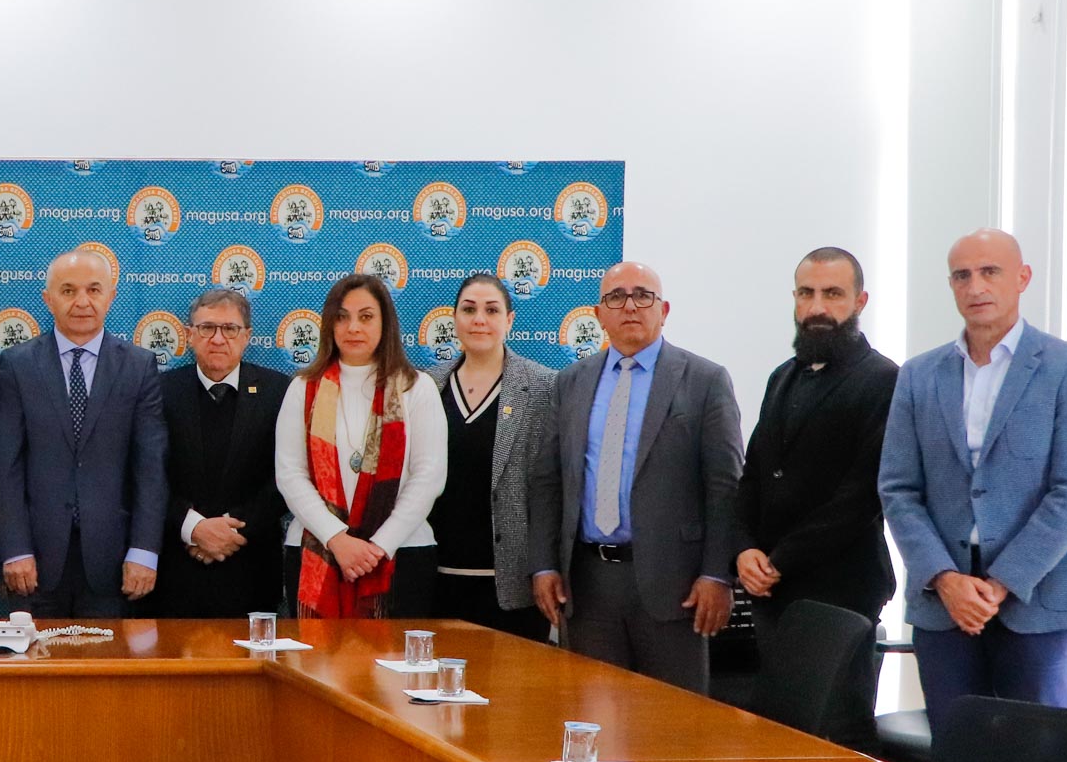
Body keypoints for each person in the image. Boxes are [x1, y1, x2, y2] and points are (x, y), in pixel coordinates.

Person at [879, 228, 1067, 732]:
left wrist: (1001, 584)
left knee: (1038, 754)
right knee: (956, 753)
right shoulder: (919, 375)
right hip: (945, 601)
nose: (975, 286)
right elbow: (898, 489)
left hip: (1036, 598)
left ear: (1022, 278)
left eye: (990, 272)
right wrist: (945, 579)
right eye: (962, 275)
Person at [530, 261, 742, 694]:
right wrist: (544, 565)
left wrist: (717, 575)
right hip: (588, 583)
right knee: (593, 714)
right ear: (599, 314)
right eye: (616, 297)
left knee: (673, 721)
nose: (630, 306)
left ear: (664, 310)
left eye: (643, 296)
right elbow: (548, 479)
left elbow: (725, 487)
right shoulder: (571, 382)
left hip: (676, 586)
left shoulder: (705, 380)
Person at [735, 247, 898, 746]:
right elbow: (753, 475)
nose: (817, 307)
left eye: (833, 294)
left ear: (860, 301)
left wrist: (779, 559)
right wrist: (744, 549)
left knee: (836, 738)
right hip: (773, 593)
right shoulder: (784, 376)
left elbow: (862, 496)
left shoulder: (883, 379)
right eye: (806, 293)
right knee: (780, 738)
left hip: (841, 591)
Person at [0, 247, 167, 618]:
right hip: (34, 562)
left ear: (111, 296)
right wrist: (16, 549)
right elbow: (6, 466)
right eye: (68, 291)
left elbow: (150, 468)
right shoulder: (17, 365)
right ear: (48, 299)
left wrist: (143, 551)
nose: (82, 301)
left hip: (116, 562)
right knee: (36, 658)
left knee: (108, 657)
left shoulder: (138, 367)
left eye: (93, 290)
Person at [276, 273, 445, 619]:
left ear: (386, 324)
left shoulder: (417, 387)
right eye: (342, 317)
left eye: (366, 317)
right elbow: (290, 475)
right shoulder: (303, 388)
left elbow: (429, 476)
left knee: (395, 657)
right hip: (318, 550)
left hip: (402, 552)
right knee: (316, 656)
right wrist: (337, 539)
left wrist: (378, 547)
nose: (353, 327)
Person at [426, 274, 554, 641]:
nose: (479, 319)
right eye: (469, 310)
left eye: (492, 310)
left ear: (509, 320)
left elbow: (554, 489)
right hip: (435, 579)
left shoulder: (544, 387)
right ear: (454, 319)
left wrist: (547, 566)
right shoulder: (426, 386)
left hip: (514, 588)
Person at [153, 288, 290, 618]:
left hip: (251, 566)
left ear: (247, 336)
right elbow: (147, 474)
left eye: (229, 329)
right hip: (176, 569)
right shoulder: (160, 391)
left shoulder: (279, 392)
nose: (218, 339)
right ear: (189, 335)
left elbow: (287, 477)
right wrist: (193, 527)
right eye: (207, 328)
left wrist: (231, 532)